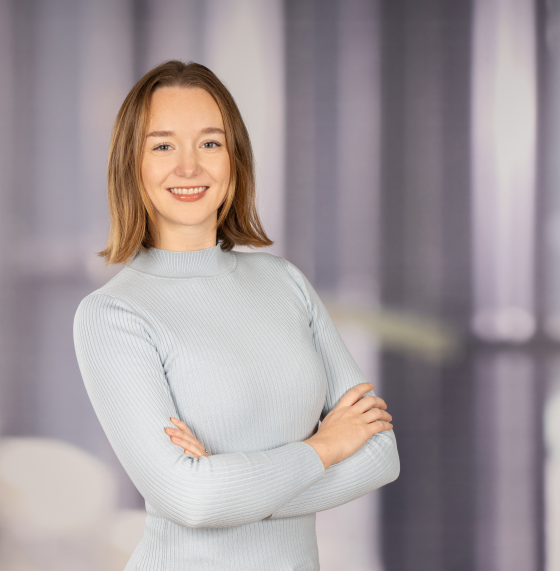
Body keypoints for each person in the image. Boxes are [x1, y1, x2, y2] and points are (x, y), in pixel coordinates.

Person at [73, 60, 399, 571]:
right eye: (162, 146)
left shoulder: (285, 282)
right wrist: (327, 446)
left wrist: (229, 489)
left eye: (210, 143)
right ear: (130, 165)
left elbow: (380, 455)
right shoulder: (112, 315)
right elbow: (191, 500)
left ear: (235, 159)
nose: (189, 167)